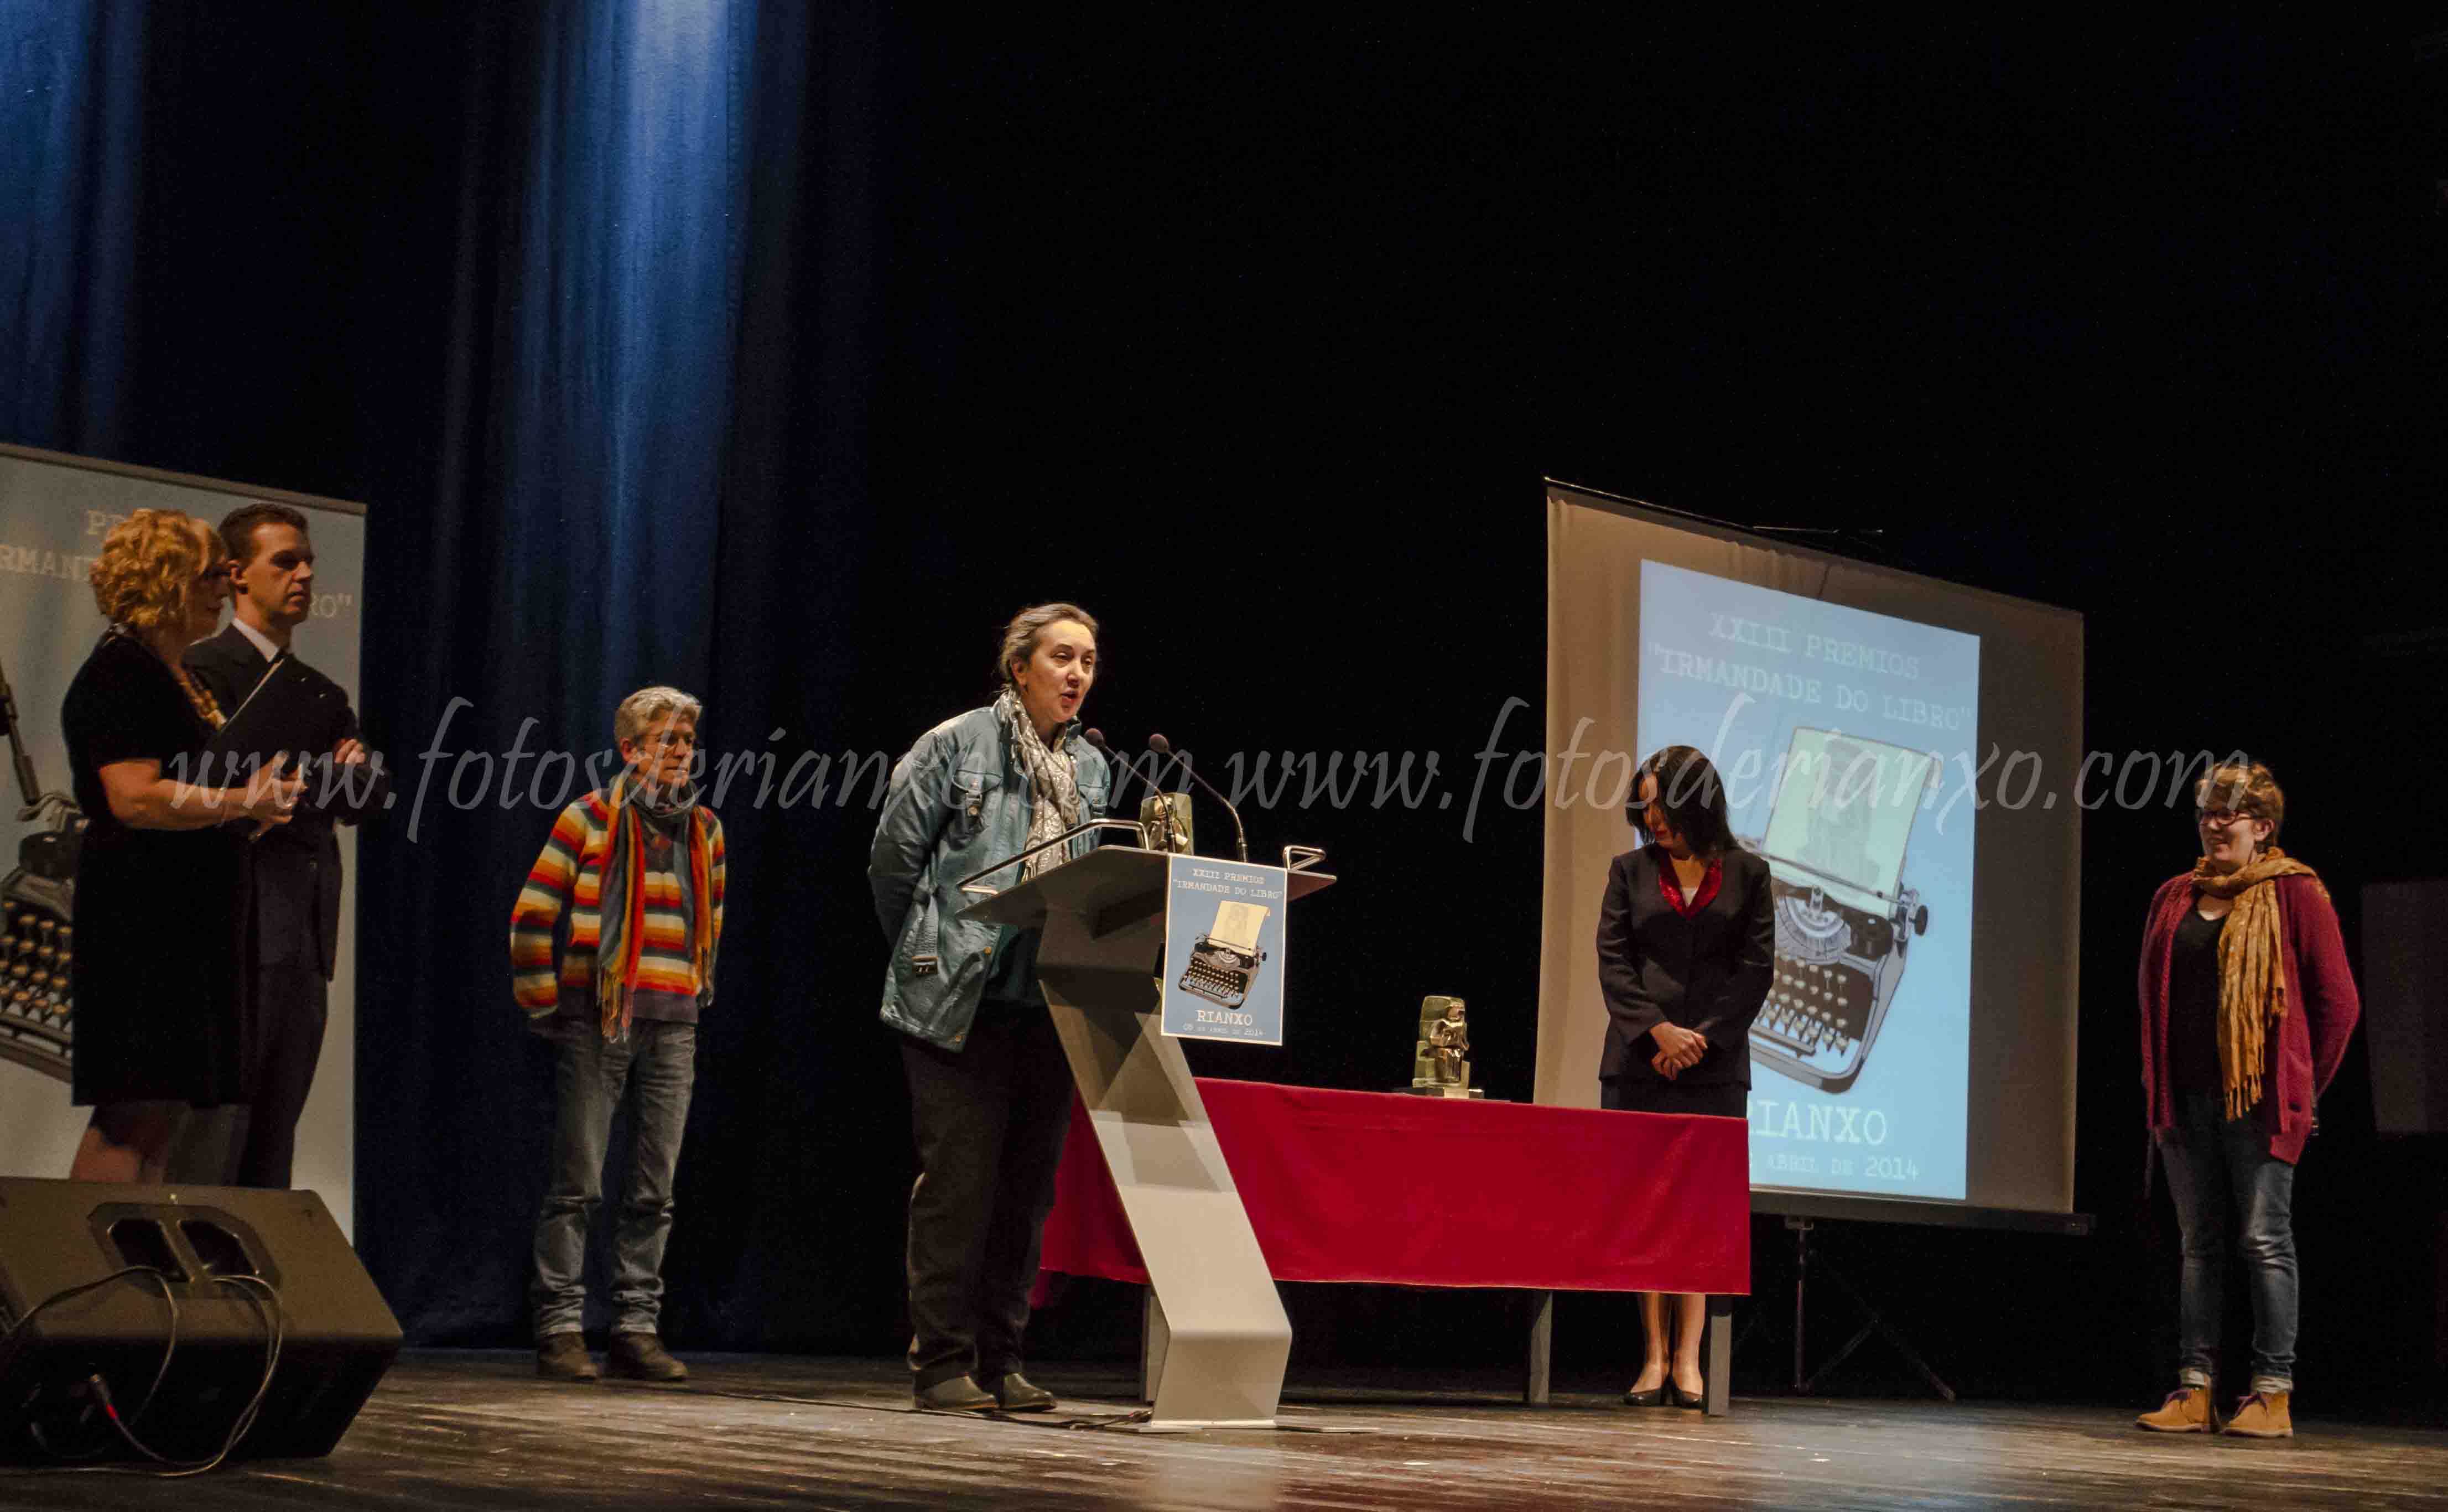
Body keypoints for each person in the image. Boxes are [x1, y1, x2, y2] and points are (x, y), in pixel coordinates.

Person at [869, 603, 1111, 1412]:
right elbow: (893, 865)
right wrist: (932, 947)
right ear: (1019, 667)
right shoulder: (956, 743)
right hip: (958, 1001)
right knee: (958, 1188)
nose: (1076, 674)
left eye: (1088, 661)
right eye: (1061, 657)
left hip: (1050, 1003)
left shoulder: (1095, 768)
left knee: (1026, 1194)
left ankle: (1004, 1361)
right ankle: (942, 1363)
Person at [61, 509, 300, 1182]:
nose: (224, 588)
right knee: (131, 1111)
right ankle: (85, 1246)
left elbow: (192, 790)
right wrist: (239, 802)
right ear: (162, 581)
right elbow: (133, 796)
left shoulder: (178, 674)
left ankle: (136, 1243)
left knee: (163, 1110)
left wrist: (252, 809)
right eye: (208, 576)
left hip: (187, 920)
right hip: (143, 921)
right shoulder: (121, 671)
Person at [2133, 760, 2358, 1440]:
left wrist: (2301, 1088)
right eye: (2206, 812)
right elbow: (2150, 996)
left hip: (2259, 1103)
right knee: (2198, 1244)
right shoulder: (2174, 896)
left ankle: (2271, 1394)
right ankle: (2196, 1390)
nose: (2214, 824)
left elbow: (2339, 1003)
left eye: (2228, 813)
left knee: (2263, 1240)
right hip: (2184, 1098)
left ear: (2262, 827)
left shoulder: (2295, 893)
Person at [509, 687, 726, 1384]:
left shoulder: (705, 830)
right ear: (631, 749)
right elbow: (532, 914)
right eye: (666, 740)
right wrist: (546, 1002)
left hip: (674, 1021)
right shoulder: (589, 817)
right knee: (578, 1182)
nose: (681, 752)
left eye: (687, 741)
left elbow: (709, 926)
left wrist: (691, 992)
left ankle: (635, 1328)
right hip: (599, 1016)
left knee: (655, 1188)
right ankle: (560, 1327)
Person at [178, 501, 387, 1189]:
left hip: (304, 926)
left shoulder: (321, 691)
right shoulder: (202, 668)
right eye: (286, 562)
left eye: (308, 563)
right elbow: (208, 784)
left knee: (275, 1132)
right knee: (216, 1131)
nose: (304, 575)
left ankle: (253, 1254)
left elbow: (369, 793)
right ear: (237, 574)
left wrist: (312, 776)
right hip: (234, 919)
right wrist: (325, 772)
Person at [1594, 744, 1773, 1408]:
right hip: (1640, 1061)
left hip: (1715, 1066)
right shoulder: (1628, 871)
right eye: (1644, 805)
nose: (1653, 818)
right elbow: (1614, 962)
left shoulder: (1750, 873)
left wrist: (1702, 1040)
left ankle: (1689, 1359)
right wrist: (1657, 1034)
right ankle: (1653, 1355)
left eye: (1662, 804)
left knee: (1699, 1211)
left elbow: (1756, 970)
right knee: (1646, 1209)